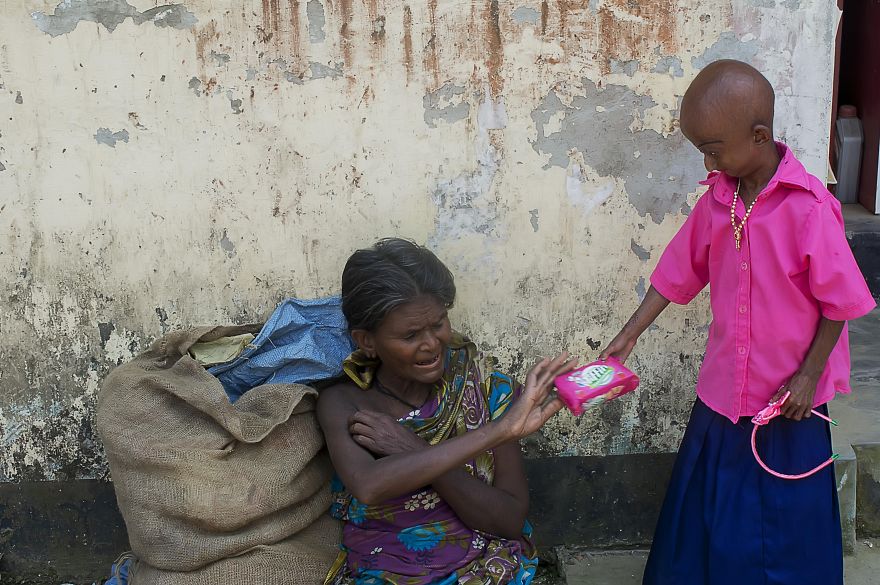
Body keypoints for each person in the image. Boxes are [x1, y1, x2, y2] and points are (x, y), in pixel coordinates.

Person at [601, 59, 876, 585]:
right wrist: (630, 333)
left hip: (788, 400)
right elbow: (677, 271)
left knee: (785, 514)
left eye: (712, 149)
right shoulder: (718, 202)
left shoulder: (810, 208)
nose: (707, 161)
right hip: (725, 392)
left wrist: (807, 376)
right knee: (710, 508)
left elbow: (841, 304)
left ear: (758, 135)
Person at [318, 238, 575, 585]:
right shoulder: (345, 402)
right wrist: (500, 430)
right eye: (410, 335)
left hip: (482, 564)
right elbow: (369, 486)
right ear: (367, 341)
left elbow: (509, 520)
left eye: (438, 323)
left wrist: (415, 450)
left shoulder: (487, 390)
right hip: (387, 571)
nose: (432, 343)